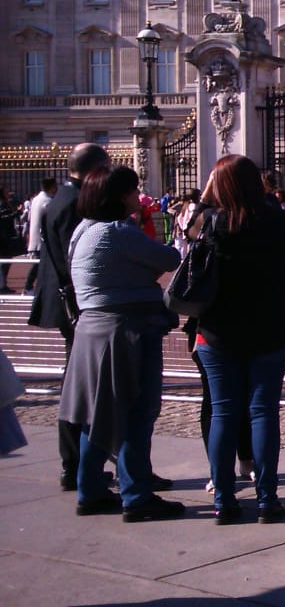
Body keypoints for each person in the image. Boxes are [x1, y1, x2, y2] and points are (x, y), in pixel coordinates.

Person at [57, 164, 184, 521]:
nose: (137, 196)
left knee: (95, 415)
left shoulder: (83, 231)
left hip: (91, 329)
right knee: (135, 412)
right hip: (126, 330)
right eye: (132, 191)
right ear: (117, 197)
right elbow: (171, 258)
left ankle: (91, 489)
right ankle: (137, 495)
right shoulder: (118, 232)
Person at [186, 154, 285, 524]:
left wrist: (206, 196)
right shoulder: (282, 220)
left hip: (218, 328)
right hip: (270, 325)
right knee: (264, 411)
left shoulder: (210, 220)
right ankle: (267, 499)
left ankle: (224, 500)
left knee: (223, 411)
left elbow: (188, 233)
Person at [29, 144, 114, 492]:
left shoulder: (62, 198)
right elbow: (74, 260)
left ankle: (78, 463)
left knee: (77, 382)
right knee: (78, 386)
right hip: (75, 304)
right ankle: (74, 463)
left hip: (67, 301)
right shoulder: (74, 203)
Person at [22, 178, 58, 294]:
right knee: (39, 265)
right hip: (42, 238)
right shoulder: (48, 200)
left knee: (38, 264)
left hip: (35, 237)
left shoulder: (37, 199)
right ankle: (28, 287)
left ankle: (30, 287)